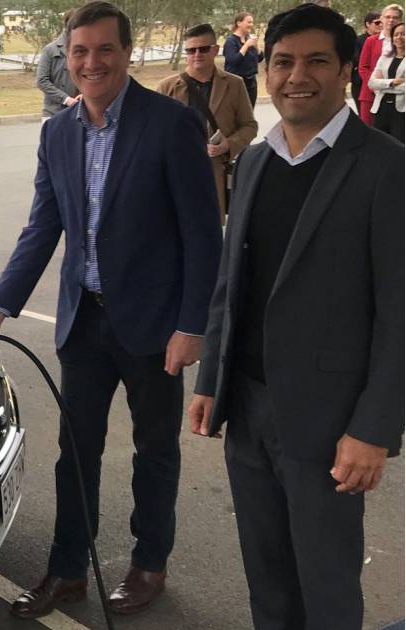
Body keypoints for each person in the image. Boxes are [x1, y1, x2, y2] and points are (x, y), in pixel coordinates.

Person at [0, 1, 220, 619]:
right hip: (84, 321)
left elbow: (203, 235)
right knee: (75, 453)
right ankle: (67, 570)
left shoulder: (170, 124)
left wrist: (192, 326)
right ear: (67, 58)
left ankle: (149, 564)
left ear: (127, 53)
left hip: (155, 327)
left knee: (155, 451)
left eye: (105, 49)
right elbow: (42, 228)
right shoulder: (58, 132)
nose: (91, 62)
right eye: (80, 51)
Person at [188, 5, 403, 630]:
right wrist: (210, 382)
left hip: (330, 422)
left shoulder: (387, 168)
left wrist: (374, 429)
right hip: (249, 408)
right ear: (267, 71)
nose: (295, 76)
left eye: (315, 61)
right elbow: (232, 284)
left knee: (326, 583)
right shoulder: (254, 159)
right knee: (267, 575)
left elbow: (400, 313)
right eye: (283, 62)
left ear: (345, 72)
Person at [157, 23, 259, 220]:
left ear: (215, 50)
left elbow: (250, 126)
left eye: (203, 49)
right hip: (176, 176)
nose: (197, 54)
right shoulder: (167, 87)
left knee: (210, 236)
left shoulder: (234, 84)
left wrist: (228, 144)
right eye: (191, 50)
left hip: (213, 176)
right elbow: (153, 133)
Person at [359, 5, 403, 124]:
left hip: (399, 96)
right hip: (371, 94)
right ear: (381, 19)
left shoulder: (403, 40)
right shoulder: (371, 41)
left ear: (401, 20)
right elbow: (363, 67)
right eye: (387, 17)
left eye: (395, 17)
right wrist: (377, 86)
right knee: (368, 132)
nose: (391, 20)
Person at [37, 10, 79, 121]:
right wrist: (66, 99)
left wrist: (85, 94)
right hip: (53, 112)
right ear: (67, 24)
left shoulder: (87, 50)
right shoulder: (50, 49)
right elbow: (42, 81)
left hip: (80, 111)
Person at [370, 22, 405, 141]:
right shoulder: (385, 58)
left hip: (401, 111)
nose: (399, 37)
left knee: (400, 146)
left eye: (403, 34)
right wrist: (392, 82)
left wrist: (382, 85)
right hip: (381, 108)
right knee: (379, 144)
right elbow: (372, 83)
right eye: (396, 34)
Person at [224, 11, 264, 107]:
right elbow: (233, 61)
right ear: (239, 23)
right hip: (236, 83)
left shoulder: (249, 39)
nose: (251, 25)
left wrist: (257, 47)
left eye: (252, 22)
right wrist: (246, 45)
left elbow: (259, 59)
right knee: (237, 112)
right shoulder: (231, 41)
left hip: (251, 82)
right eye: (249, 22)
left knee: (249, 112)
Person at [353, 12, 383, 102]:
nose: (381, 25)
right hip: (361, 83)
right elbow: (355, 60)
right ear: (368, 24)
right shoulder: (358, 40)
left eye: (382, 22)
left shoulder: (386, 40)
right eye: (377, 23)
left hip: (382, 83)